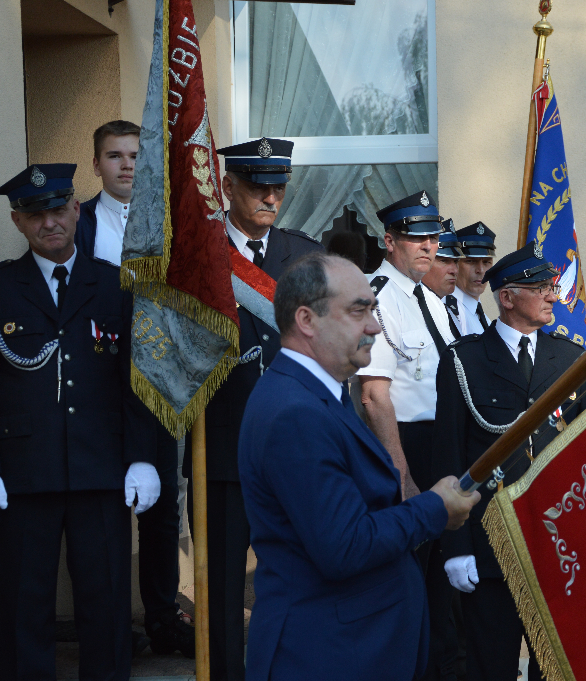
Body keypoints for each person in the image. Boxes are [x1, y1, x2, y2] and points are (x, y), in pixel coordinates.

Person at [238, 252, 480, 680]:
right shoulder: (296, 412)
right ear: (307, 320)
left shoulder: (318, 392)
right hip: (325, 655)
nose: (374, 327)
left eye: (373, 310)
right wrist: (434, 508)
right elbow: (344, 546)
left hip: (352, 647)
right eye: (358, 311)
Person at [0, 163, 160, 679]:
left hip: (101, 471)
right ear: (17, 221)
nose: (50, 223)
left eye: (58, 209)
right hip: (23, 474)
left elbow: (137, 381)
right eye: (35, 214)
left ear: (76, 209)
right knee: (25, 609)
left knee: (106, 607)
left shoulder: (114, 285)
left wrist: (143, 457)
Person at [183, 137, 323, 681]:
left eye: (278, 188)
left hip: (294, 450)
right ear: (228, 186)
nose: (270, 198)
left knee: (295, 578)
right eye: (258, 187)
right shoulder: (199, 254)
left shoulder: (304, 256)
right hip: (223, 448)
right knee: (221, 585)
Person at [433, 242, 586, 681]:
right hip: (490, 543)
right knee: (491, 666)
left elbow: (583, 454)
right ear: (507, 297)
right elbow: (448, 456)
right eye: (540, 289)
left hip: (556, 543)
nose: (552, 296)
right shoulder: (464, 360)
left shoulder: (571, 358)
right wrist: (456, 548)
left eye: (551, 287)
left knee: (554, 668)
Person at [75, 119, 193, 657]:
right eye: (114, 155)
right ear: (96, 164)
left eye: (135, 155)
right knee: (101, 512)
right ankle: (107, 626)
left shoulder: (171, 224)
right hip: (96, 387)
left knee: (162, 508)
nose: (126, 165)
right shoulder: (76, 223)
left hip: (156, 383)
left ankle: (163, 617)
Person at [358, 190, 458, 680]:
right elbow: (374, 395)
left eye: (433, 238)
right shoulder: (376, 296)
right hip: (405, 446)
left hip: (442, 446)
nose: (428, 246)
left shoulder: (433, 301)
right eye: (416, 237)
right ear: (389, 240)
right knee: (407, 581)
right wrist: (401, 471)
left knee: (442, 584)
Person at [453, 222, 496, 335]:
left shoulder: (484, 318)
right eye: (471, 261)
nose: (480, 270)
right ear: (455, 264)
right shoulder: (448, 313)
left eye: (486, 262)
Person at [424, 220, 464, 338]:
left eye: (456, 262)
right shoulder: (414, 307)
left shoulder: (451, 310)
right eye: (444, 261)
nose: (454, 271)